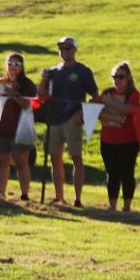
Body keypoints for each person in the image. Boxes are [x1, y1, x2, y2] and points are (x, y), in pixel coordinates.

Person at [38, 36, 98, 206]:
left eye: (68, 48)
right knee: (55, 159)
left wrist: (82, 112)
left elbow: (96, 96)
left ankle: (78, 199)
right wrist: (43, 78)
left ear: (74, 50)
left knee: (76, 158)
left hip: (73, 120)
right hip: (54, 119)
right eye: (62, 48)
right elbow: (41, 95)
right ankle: (59, 197)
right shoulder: (53, 71)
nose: (65, 51)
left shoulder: (83, 71)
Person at [0, 52, 38, 201]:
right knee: (2, 161)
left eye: (16, 64)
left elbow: (28, 106)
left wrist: (14, 95)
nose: (12, 66)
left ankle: (24, 194)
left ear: (22, 67)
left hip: (21, 129)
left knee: (21, 163)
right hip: (1, 129)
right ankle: (1, 193)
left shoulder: (28, 85)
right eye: (9, 63)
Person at [97, 62, 140, 211]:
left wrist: (110, 103)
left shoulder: (133, 94)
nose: (117, 80)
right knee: (112, 173)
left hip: (128, 140)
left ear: (128, 78)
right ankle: (112, 205)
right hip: (107, 140)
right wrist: (116, 118)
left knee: (127, 173)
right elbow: (98, 112)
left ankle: (127, 206)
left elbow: (128, 111)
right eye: (114, 77)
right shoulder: (106, 92)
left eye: (121, 77)